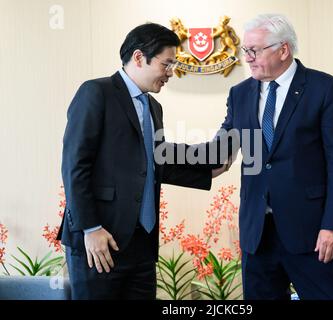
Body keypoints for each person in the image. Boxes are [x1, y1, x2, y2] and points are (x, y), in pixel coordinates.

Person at [57, 23, 227, 300]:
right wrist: (91, 228)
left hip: (142, 243)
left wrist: (207, 172)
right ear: (139, 57)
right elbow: (74, 165)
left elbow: (152, 162)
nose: (171, 73)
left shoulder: (153, 107)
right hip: (100, 241)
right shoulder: (96, 93)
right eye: (167, 64)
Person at [219, 14, 333, 299]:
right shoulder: (240, 93)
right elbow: (221, 151)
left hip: (313, 234)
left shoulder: (324, 88)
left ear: (283, 50)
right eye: (246, 51)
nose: (248, 58)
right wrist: (164, 158)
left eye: (254, 51)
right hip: (258, 235)